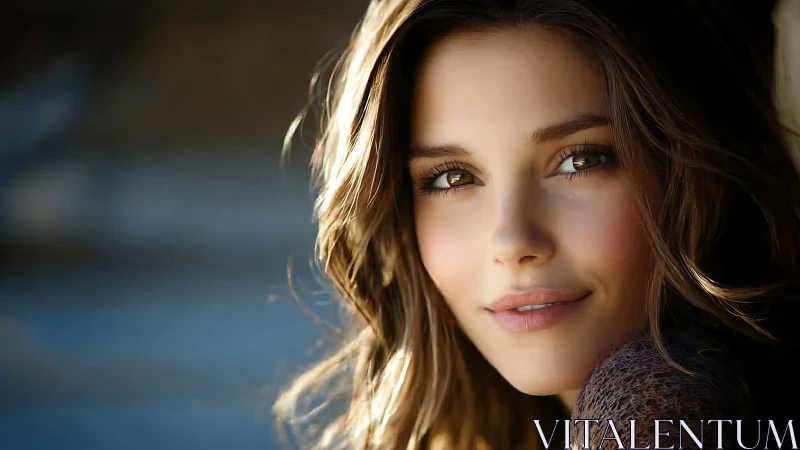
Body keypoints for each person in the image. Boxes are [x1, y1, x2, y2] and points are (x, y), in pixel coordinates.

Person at [274, 1, 800, 449]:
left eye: (580, 161)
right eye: (452, 177)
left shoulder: (664, 413)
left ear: (696, 170)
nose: (513, 241)